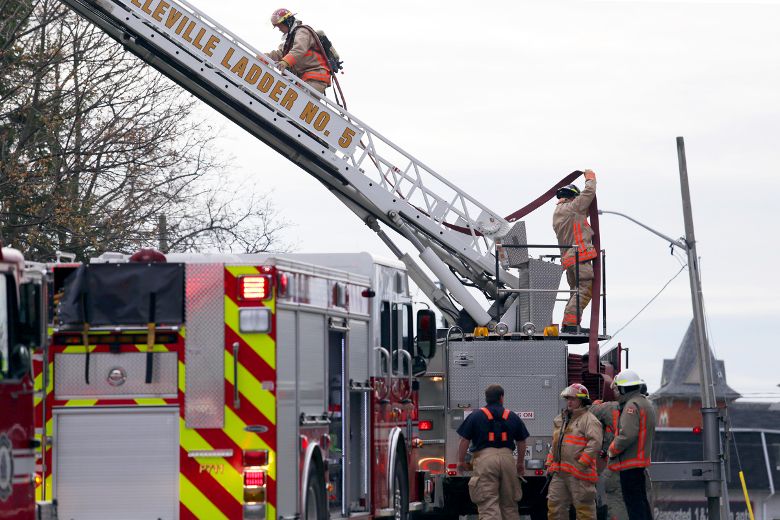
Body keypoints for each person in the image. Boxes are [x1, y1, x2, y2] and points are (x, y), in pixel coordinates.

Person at [457, 384, 530, 520]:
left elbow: (464, 440)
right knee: (509, 505)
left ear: (486, 398)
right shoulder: (512, 416)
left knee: (489, 505)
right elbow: (522, 442)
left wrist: (461, 461)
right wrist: (520, 463)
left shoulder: (475, 416)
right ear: (501, 398)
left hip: (485, 460)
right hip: (508, 459)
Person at [545, 384, 603, 520]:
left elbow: (595, 444)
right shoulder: (562, 419)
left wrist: (582, 464)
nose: (569, 402)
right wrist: (550, 463)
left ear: (582, 400)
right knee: (555, 508)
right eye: (567, 399)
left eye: (573, 399)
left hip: (580, 474)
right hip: (559, 472)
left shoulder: (589, 420)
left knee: (584, 511)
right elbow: (555, 443)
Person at [606, 370, 656, 520]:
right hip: (640, 463)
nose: (615, 392)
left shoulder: (631, 406)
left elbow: (627, 434)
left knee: (634, 506)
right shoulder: (645, 403)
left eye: (616, 389)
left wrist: (612, 450)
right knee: (641, 503)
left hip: (629, 464)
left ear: (623, 388)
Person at [552, 169, 598, 334]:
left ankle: (569, 323)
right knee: (585, 290)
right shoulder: (573, 207)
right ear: (573, 196)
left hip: (569, 259)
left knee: (575, 291)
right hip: (579, 256)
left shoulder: (558, 212)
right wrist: (590, 177)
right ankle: (571, 325)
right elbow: (589, 192)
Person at [265, 8, 331, 94]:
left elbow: (299, 49)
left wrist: (285, 62)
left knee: (298, 104)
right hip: (305, 78)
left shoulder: (302, 32)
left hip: (315, 78)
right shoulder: (291, 39)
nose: (279, 29)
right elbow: (281, 53)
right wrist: (265, 57)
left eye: (280, 26)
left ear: (287, 22)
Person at [590, 400, 628, 520]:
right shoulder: (637, 408)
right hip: (627, 466)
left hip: (609, 466)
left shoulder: (607, 410)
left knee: (613, 501)